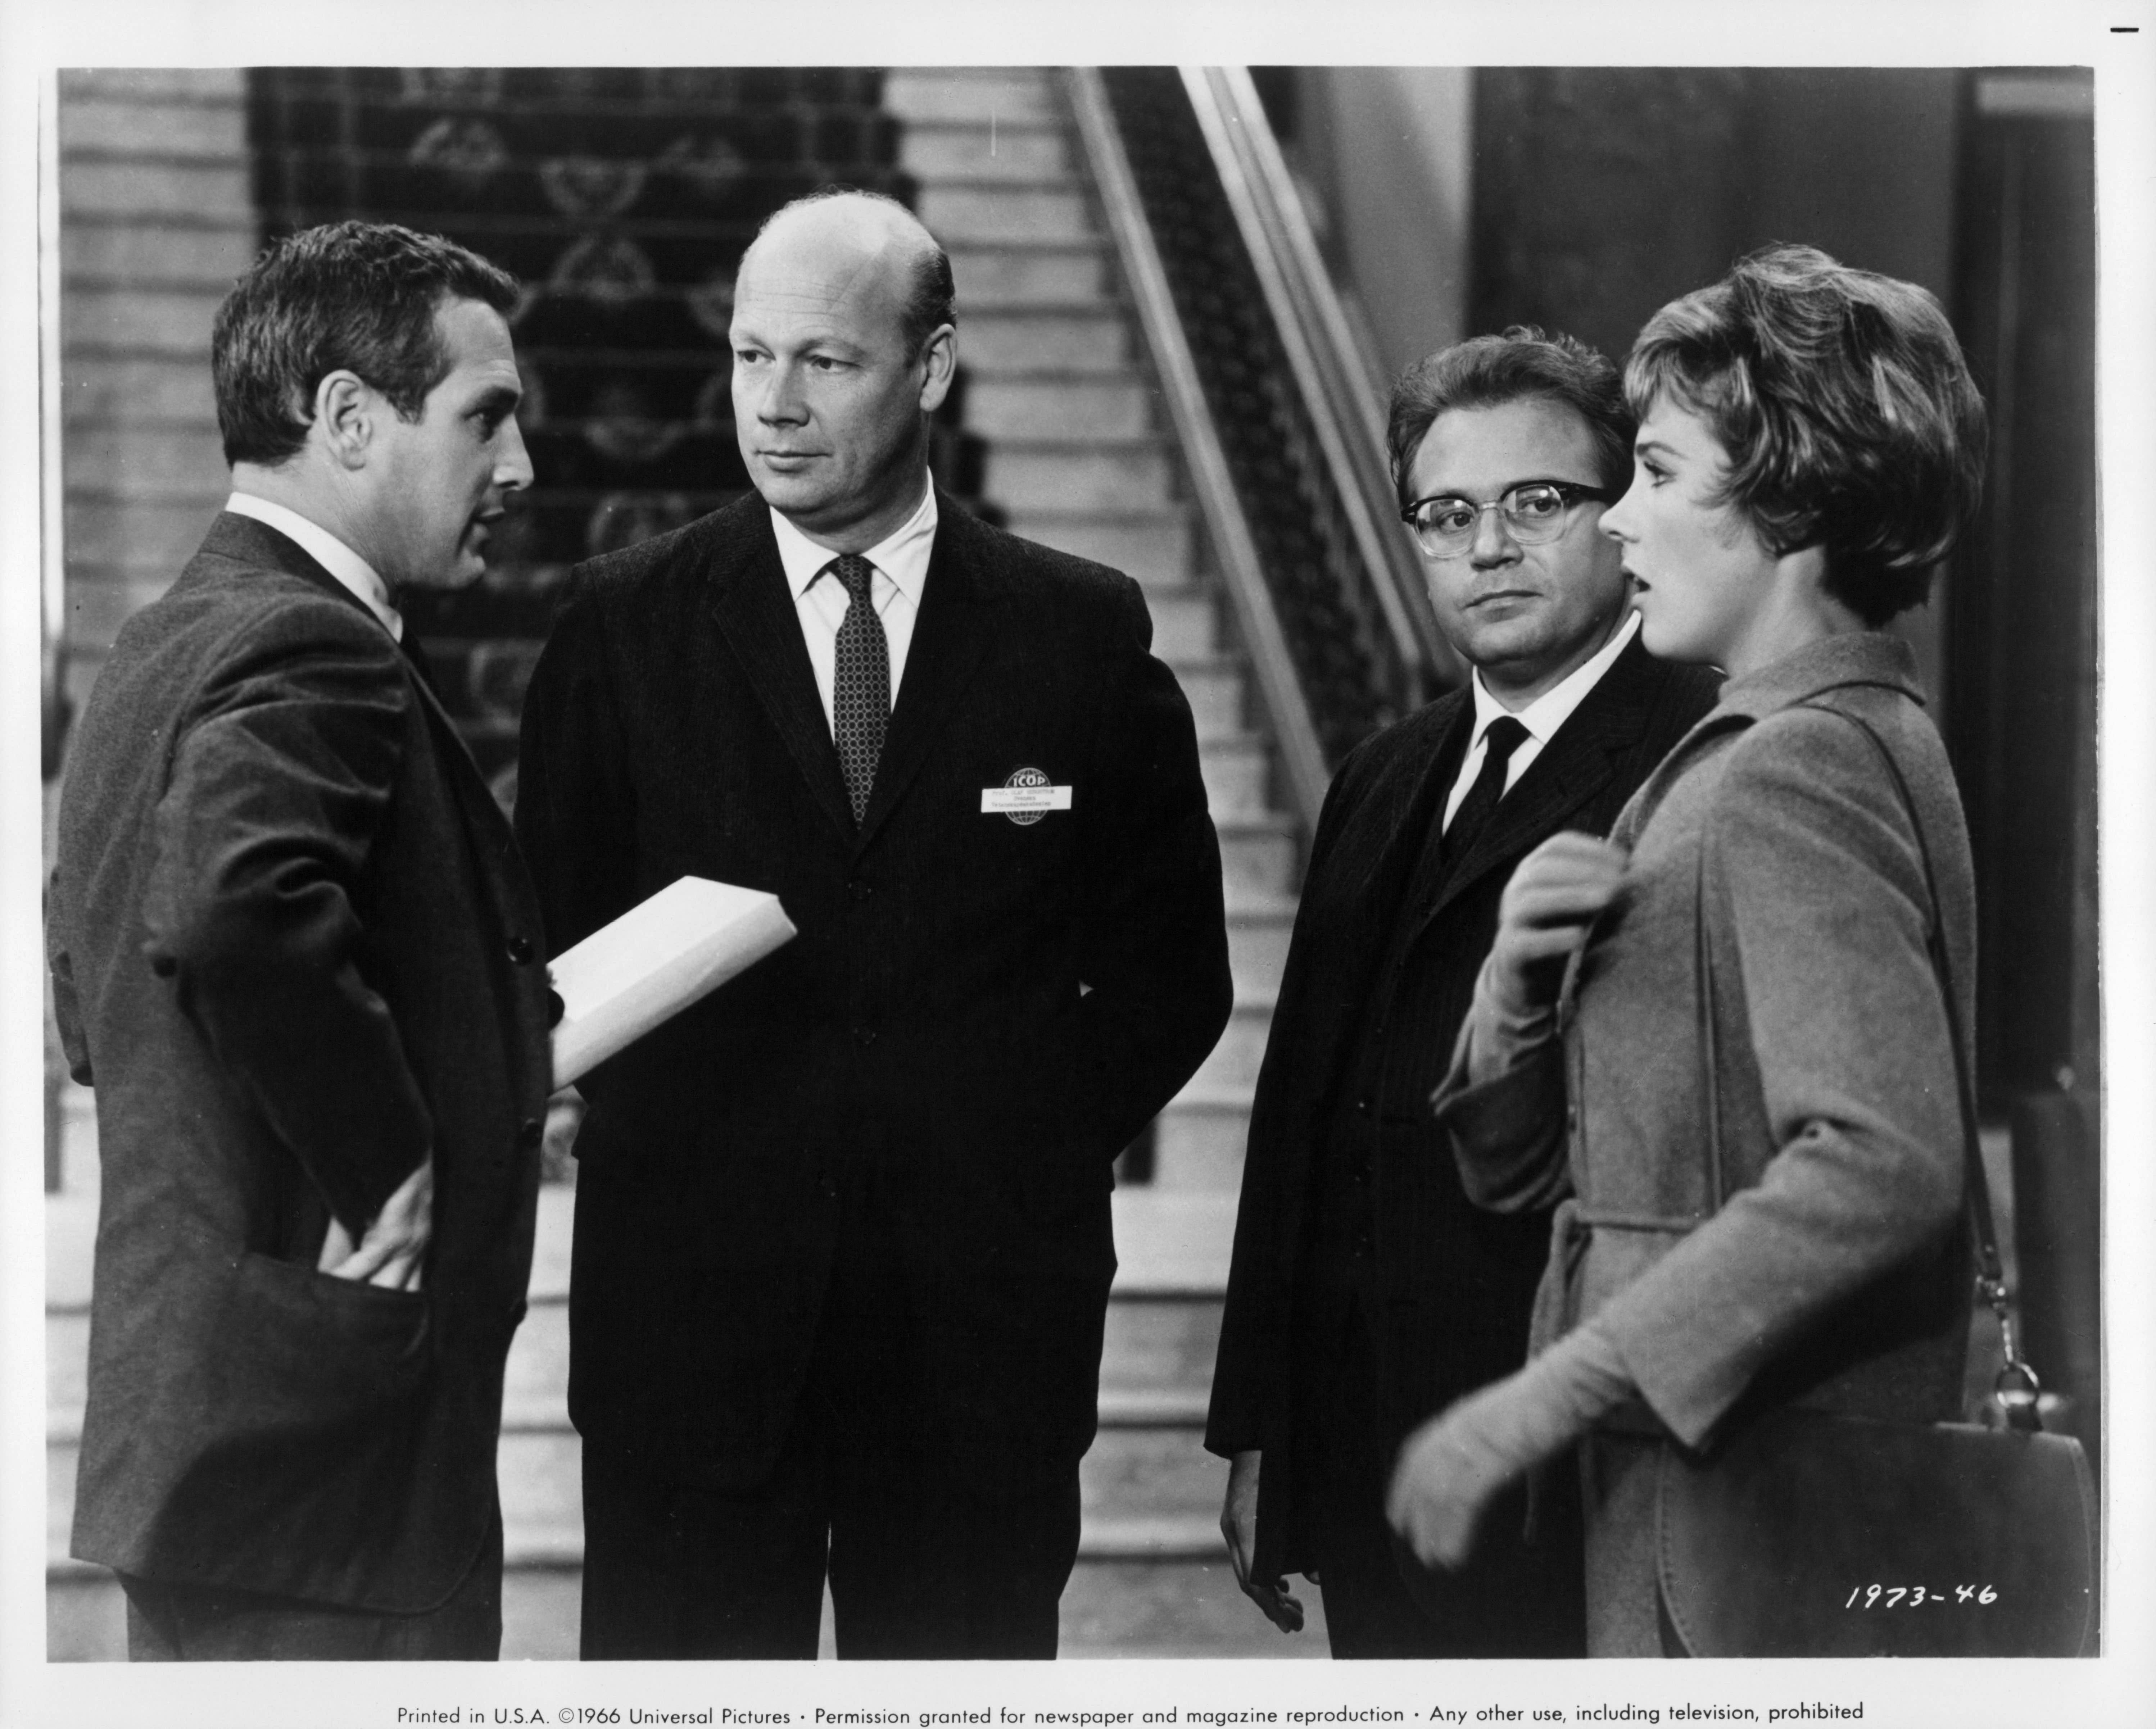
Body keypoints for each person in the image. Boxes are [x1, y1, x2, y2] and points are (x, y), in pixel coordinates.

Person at [513, 188, 1232, 1661]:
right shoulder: (618, 629)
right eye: (747, 356)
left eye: (825, 363)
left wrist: (1012, 1132)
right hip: (696, 1336)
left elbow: (1174, 973)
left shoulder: (1078, 632)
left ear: (936, 364)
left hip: (979, 1332)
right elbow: (544, 947)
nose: (771, 406)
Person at [1390, 245, 1988, 1657]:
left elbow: (1882, 1163)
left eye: (1655, 474)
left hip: (1736, 1517)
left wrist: (1540, 1397)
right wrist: (1516, 992)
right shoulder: (1802, 743)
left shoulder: (1797, 769)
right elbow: (1542, 1170)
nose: (1615, 527)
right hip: (1705, 1496)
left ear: (1783, 494)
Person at [46, 221, 547, 1660]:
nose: (516, 471)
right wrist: (392, 1160)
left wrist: (484, 1059)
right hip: (329, 1462)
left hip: (215, 1434)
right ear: (344, 417)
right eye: (485, 418)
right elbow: (234, 914)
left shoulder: (156, 642)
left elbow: (92, 994)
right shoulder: (313, 641)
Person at [1206, 330, 1720, 1656]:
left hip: (1573, 1455)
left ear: (1626, 512)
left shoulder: (1703, 754)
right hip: (1369, 1447)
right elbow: (1300, 1121)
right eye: (1447, 515)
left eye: (1536, 503)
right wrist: (1262, 1429)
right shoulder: (1383, 775)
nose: (1488, 546)